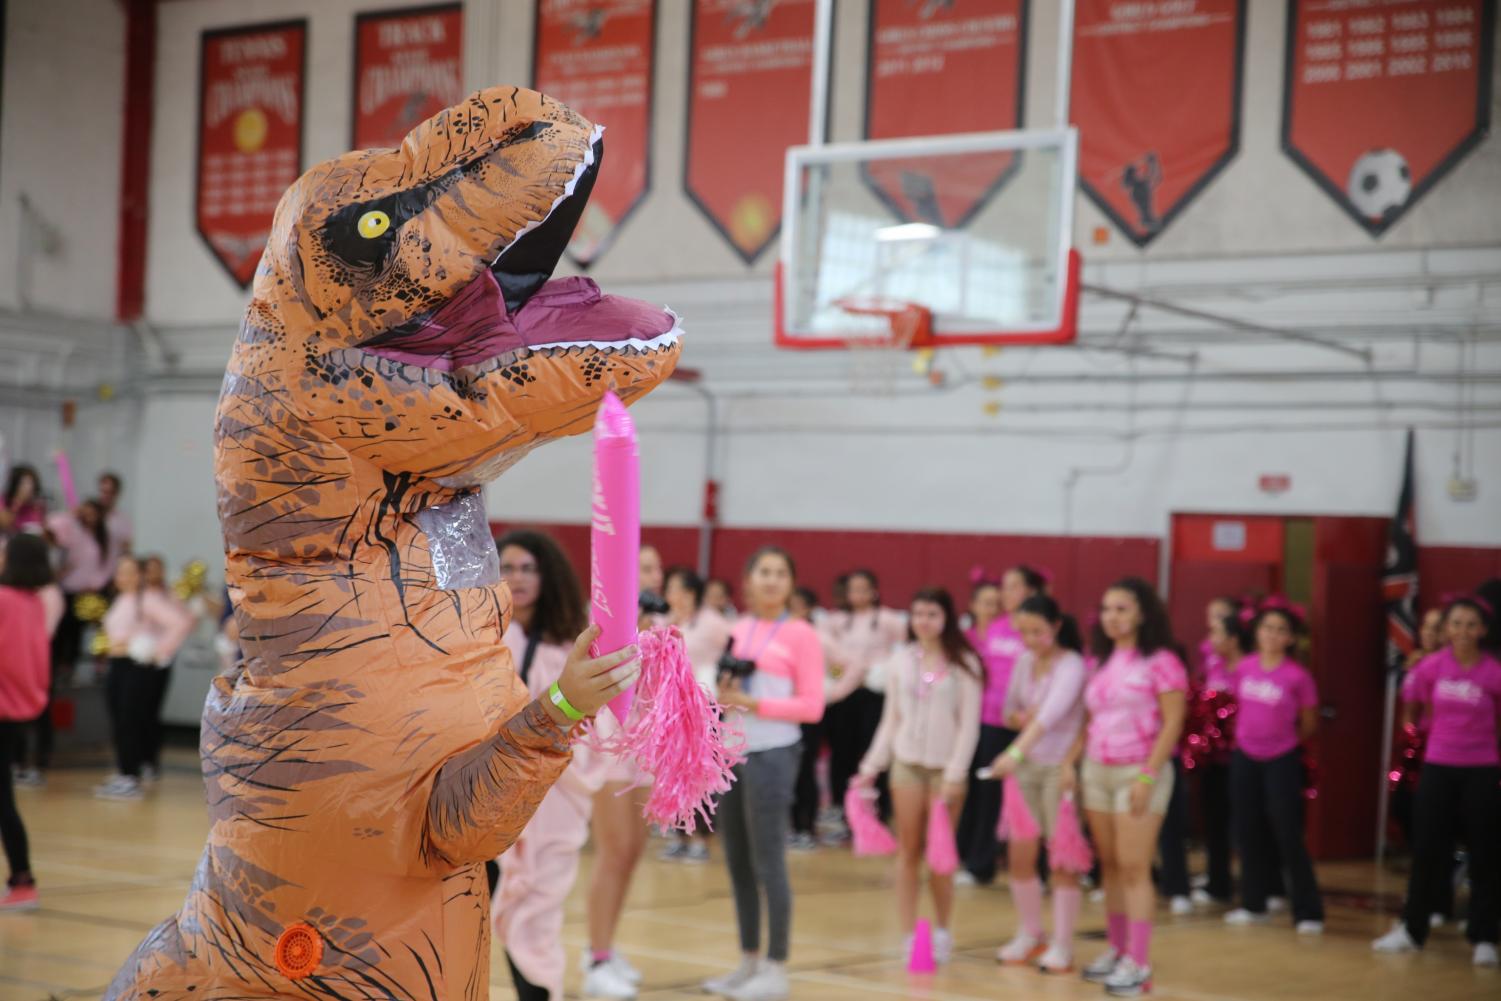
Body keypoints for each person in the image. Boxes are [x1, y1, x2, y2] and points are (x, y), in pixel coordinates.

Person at [488, 529, 606, 1001]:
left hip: (550, 796)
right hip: (487, 796)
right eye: (508, 567)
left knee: (534, 915)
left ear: (548, 575)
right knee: (483, 913)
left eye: (528, 568)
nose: (516, 578)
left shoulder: (569, 647)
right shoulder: (482, 637)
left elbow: (589, 723)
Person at [703, 546, 825, 1001]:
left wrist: (759, 705)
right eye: (764, 573)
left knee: (769, 860)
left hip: (775, 752)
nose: (772, 581)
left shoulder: (801, 634)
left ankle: (776, 966)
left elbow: (813, 705)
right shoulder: (740, 629)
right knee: (737, 860)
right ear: (748, 581)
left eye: (780, 573)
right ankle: (749, 960)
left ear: (790, 584)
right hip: (735, 752)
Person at [854, 587, 981, 965]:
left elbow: (968, 727)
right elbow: (891, 719)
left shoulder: (965, 665)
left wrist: (956, 773)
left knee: (941, 854)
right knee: (908, 851)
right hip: (906, 765)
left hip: (946, 771)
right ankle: (909, 933)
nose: (924, 621)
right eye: (918, 613)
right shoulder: (900, 662)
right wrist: (870, 766)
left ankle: (942, 929)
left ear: (947, 619)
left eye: (933, 614)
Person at [1075, 578, 1187, 998]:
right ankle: (1117, 950)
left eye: (1121, 608)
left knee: (1136, 866)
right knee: (1111, 866)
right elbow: (1091, 718)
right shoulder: (1099, 661)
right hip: (1097, 771)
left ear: (1142, 613)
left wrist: (1148, 775)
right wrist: (1076, 763)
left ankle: (1139, 963)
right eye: (1106, 609)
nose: (1112, 617)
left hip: (1138, 772)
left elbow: (1173, 721)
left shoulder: (1162, 661)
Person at [1373, 596, 1500, 967]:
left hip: (1482, 769)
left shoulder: (1493, 671)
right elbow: (1410, 708)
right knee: (1428, 850)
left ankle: (1485, 936)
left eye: (1471, 624)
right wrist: (1419, 737)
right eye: (1456, 623)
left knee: (1485, 852)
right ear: (1445, 629)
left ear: (1483, 630)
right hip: (1438, 768)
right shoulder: (1431, 667)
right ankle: (1412, 930)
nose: (1462, 631)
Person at [581, 543, 665, 993]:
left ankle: (605, 947)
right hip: (609, 749)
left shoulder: (661, 624)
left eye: (655, 568)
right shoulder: (602, 622)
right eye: (642, 566)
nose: (650, 574)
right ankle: (595, 960)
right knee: (613, 853)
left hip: (643, 754)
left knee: (632, 853)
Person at [990, 594, 1088, 973]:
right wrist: (1018, 720)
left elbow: (1050, 716)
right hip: (1026, 769)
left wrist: (1014, 751)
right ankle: (1030, 933)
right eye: (1024, 632)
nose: (1030, 639)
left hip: (1056, 769)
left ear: (1057, 626)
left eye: (1038, 631)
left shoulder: (1073, 665)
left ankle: (1063, 944)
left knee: (1062, 858)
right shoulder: (1024, 662)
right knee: (1020, 854)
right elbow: (1009, 711)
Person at [1222, 602, 1324, 934]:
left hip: (1281, 759)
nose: (1273, 635)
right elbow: (1238, 708)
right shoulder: (1245, 668)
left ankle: (1308, 911)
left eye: (1281, 630)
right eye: (1268, 628)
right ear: (1257, 632)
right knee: (1247, 830)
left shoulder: (1298, 676)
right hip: (1244, 757)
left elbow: (1309, 722)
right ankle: (1254, 904)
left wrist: (1283, 744)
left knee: (1287, 831)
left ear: (1291, 638)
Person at [956, 565, 1045, 885]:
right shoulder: (995, 627)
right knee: (985, 793)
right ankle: (979, 863)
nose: (1006, 594)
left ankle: (1041, 868)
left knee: (1033, 797)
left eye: (1014, 587)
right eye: (1004, 587)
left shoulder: (1037, 630)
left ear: (1031, 592)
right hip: (991, 722)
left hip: (1030, 727)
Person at [94, 556, 194, 801]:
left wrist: (158, 651)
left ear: (139, 575)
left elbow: (182, 622)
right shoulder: (120, 599)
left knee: (131, 720)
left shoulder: (147, 599)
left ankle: (131, 776)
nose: (123, 577)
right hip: (117, 665)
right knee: (118, 719)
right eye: (119, 572)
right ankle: (124, 772)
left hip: (136, 667)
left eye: (129, 572)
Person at [0, 534, 61, 910]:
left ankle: (23, 882)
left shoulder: (5, 600)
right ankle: (22, 880)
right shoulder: (33, 603)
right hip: (14, 711)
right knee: (4, 798)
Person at [658, 565, 734, 865]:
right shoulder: (665, 621)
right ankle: (680, 836)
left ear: (690, 592)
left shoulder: (714, 623)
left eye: (673, 588)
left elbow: (733, 655)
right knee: (673, 773)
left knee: (700, 774)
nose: (668, 593)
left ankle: (701, 838)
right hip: (672, 710)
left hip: (706, 708)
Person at [822, 570, 906, 838]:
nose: (858, 594)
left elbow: (903, 651)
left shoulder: (888, 620)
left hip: (874, 693)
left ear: (874, 590)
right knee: (841, 753)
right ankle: (842, 811)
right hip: (845, 692)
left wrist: (881, 673)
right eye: (853, 589)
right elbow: (828, 656)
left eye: (863, 588)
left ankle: (877, 812)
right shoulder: (835, 621)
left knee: (874, 751)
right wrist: (839, 677)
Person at [138, 555, 193, 782]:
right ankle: (140, 758)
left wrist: (162, 650)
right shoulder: (137, 596)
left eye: (158, 569)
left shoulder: (167, 596)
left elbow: (185, 620)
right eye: (149, 569)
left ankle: (149, 760)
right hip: (137, 660)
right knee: (138, 713)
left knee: (150, 712)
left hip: (157, 662)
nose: (154, 573)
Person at [97, 471, 132, 574]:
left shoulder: (123, 521)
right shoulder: (90, 517)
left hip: (111, 575)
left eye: (110, 492)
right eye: (103, 491)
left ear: (117, 493)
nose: (106, 496)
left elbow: (125, 551)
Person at [0, 464, 46, 539]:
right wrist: (18, 501)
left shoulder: (36, 506)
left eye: (31, 484)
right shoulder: (3, 501)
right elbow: (4, 524)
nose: (29, 488)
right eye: (24, 483)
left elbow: (41, 527)